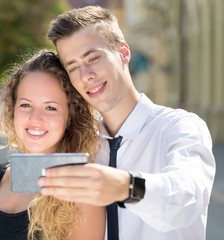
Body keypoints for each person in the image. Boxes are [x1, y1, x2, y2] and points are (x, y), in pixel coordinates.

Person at [38, 5, 216, 240]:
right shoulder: (82, 143)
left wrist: (126, 186)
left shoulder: (180, 127)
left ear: (123, 52)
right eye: (73, 67)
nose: (86, 75)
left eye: (93, 58)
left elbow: (187, 197)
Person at [0, 50, 105, 240]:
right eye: (26, 105)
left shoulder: (82, 193)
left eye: (50, 107)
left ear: (70, 117)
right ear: (13, 109)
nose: (35, 118)